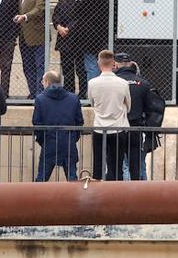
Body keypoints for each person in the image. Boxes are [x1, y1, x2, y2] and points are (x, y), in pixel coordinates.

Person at [86, 49, 133, 181]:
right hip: (118, 127)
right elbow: (128, 105)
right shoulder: (123, 83)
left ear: (99, 63)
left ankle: (98, 196)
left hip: (99, 127)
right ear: (113, 64)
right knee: (116, 165)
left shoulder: (92, 83)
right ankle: (115, 196)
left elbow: (92, 102)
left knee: (98, 164)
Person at [33, 70, 82, 181]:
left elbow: (37, 123)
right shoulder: (73, 99)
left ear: (46, 81)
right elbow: (79, 122)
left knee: (41, 179)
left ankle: (37, 198)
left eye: (43, 81)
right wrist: (73, 138)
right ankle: (74, 198)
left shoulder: (40, 99)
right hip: (68, 143)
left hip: (49, 143)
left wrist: (43, 140)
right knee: (72, 178)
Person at [113, 52, 151, 180]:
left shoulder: (113, 83)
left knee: (119, 165)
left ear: (116, 64)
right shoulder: (143, 83)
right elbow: (149, 108)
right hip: (136, 128)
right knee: (137, 165)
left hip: (117, 128)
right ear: (130, 63)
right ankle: (139, 195)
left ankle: (121, 196)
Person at [52, 0, 86, 98]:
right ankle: (68, 92)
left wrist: (69, 28)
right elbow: (57, 12)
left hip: (78, 38)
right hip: (64, 38)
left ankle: (83, 94)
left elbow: (81, 15)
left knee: (80, 68)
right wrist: (59, 26)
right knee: (66, 67)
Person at [14, 0, 46, 100]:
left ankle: (39, 93)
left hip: (38, 35)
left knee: (40, 66)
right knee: (27, 66)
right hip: (23, 35)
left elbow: (39, 8)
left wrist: (25, 16)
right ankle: (32, 92)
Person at [72, 0, 109, 80]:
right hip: (102, 34)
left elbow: (78, 12)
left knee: (91, 65)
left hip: (88, 36)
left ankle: (93, 92)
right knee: (101, 63)